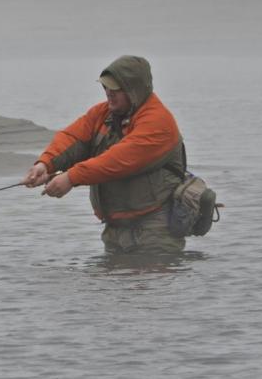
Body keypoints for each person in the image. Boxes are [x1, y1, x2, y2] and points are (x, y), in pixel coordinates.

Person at [21, 55, 186, 254]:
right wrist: (45, 165)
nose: (109, 93)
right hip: (115, 228)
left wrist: (71, 178)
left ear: (134, 90)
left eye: (116, 89)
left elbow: (118, 160)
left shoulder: (158, 123)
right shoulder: (102, 114)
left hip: (154, 230)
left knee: (149, 285)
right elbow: (73, 138)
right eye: (106, 87)